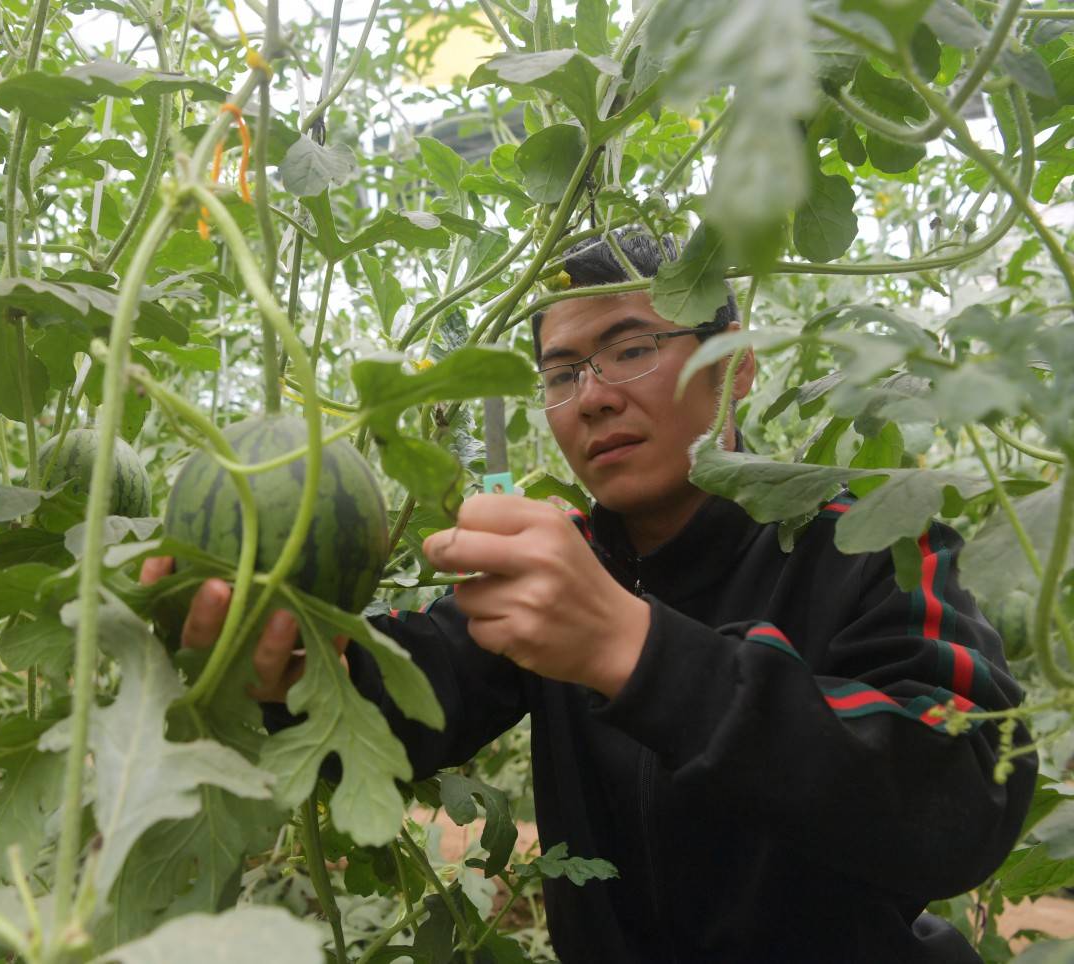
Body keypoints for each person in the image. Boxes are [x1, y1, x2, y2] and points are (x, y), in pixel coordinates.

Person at [141, 230, 1034, 962]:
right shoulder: (559, 561)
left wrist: (639, 653)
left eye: (632, 349)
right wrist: (298, 670)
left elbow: (966, 789)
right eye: (562, 372)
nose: (593, 398)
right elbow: (407, 694)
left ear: (737, 365)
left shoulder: (869, 532)